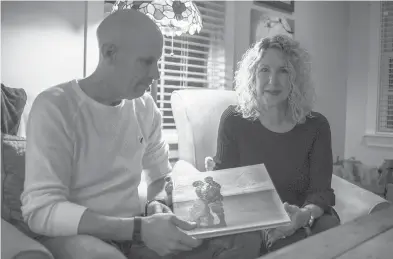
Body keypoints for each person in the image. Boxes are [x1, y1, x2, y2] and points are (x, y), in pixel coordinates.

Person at [21, 8, 261, 259]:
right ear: (109, 53)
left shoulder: (145, 107)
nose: (156, 74)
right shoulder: (55, 106)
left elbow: (159, 176)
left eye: (157, 62)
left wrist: (155, 207)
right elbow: (41, 211)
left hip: (136, 229)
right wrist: (139, 229)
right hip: (77, 235)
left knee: (234, 242)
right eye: (147, 61)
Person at [213, 34, 340, 255]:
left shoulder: (317, 126)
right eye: (264, 70)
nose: (273, 81)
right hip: (251, 220)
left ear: (296, 78)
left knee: (328, 228)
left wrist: (303, 216)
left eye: (284, 70)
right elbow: (223, 184)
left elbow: (321, 192)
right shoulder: (233, 120)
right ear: (252, 75)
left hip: (303, 217)